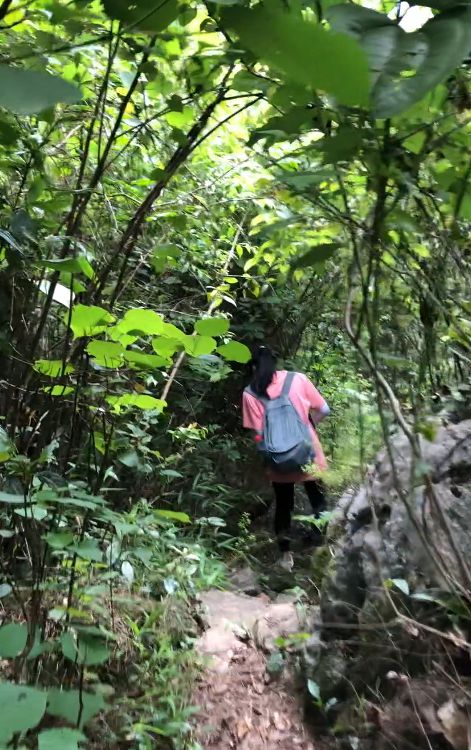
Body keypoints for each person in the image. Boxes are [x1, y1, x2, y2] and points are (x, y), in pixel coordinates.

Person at [242, 346, 330, 571]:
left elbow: (258, 433)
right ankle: (320, 551)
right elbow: (324, 409)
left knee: (283, 505)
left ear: (253, 367)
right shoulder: (298, 379)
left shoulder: (250, 393)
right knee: (318, 500)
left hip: (278, 459)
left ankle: (286, 558)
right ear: (275, 362)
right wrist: (307, 427)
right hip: (308, 451)